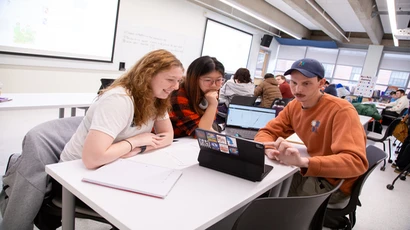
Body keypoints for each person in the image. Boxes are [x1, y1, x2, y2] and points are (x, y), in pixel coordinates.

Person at [254, 58, 368, 205]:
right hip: (312, 171)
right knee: (261, 186)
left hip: (334, 183)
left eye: (306, 83)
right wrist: (269, 148)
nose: (298, 90)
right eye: (294, 83)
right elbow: (267, 132)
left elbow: (355, 162)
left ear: (321, 83)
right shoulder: (294, 105)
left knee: (270, 201)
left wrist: (304, 162)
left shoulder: (341, 111)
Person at [60, 49, 184, 169]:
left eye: (178, 81)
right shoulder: (119, 99)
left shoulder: (157, 98)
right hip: (71, 170)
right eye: (170, 80)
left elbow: (167, 135)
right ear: (148, 75)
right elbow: (92, 159)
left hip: (112, 163)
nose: (176, 86)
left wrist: (141, 148)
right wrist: (135, 141)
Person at [169, 56, 225, 138]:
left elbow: (208, 127)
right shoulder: (179, 94)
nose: (213, 85)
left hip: (187, 142)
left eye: (219, 80)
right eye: (208, 80)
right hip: (173, 144)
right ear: (194, 79)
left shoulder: (207, 94)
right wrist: (212, 105)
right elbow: (201, 133)